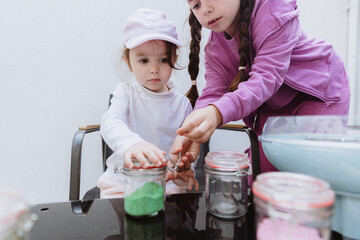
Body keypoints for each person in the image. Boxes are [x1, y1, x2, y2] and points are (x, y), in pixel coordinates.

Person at [171, 0, 350, 173]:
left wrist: (215, 114)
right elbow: (213, 94)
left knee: (308, 175)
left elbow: (265, 78)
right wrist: (192, 128)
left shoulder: (274, 8)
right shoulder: (215, 49)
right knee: (260, 181)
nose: (206, 9)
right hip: (272, 106)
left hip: (316, 92)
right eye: (196, 5)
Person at [97, 8, 199, 198]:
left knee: (182, 208)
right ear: (128, 62)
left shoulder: (183, 104)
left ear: (174, 59)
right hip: (122, 184)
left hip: (167, 186)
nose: (154, 69)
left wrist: (181, 171)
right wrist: (131, 144)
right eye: (143, 60)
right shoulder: (126, 93)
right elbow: (110, 121)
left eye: (163, 60)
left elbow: (187, 151)